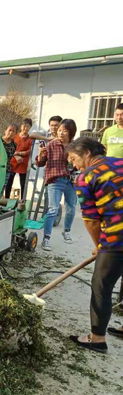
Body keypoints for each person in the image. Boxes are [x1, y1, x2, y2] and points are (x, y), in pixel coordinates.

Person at [66, 137, 123, 353]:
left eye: (74, 159)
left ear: (88, 153)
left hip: (117, 237)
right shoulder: (120, 162)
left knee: (102, 285)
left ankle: (97, 339)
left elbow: (91, 220)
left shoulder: (86, 177)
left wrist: (100, 245)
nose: (74, 165)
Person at [35, 119, 78, 251]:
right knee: (53, 209)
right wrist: (40, 154)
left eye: (64, 131)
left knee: (71, 207)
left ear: (71, 132)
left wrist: (74, 162)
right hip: (55, 180)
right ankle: (46, 239)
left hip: (71, 180)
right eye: (59, 130)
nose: (61, 133)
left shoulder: (75, 146)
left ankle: (67, 231)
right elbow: (40, 163)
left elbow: (80, 164)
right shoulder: (51, 145)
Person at [5, 118, 33, 199]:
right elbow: (10, 147)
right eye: (24, 126)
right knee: (9, 181)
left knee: (23, 183)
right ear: (21, 126)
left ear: (30, 128)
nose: (25, 128)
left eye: (28, 127)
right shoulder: (15, 136)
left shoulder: (30, 138)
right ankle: (6, 198)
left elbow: (30, 150)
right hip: (13, 161)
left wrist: (20, 153)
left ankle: (22, 200)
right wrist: (15, 155)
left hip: (23, 162)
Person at [1, 123, 18, 196]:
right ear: (5, 131)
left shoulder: (14, 145)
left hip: (7, 169)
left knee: (2, 189)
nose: (11, 132)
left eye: (13, 131)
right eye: (9, 130)